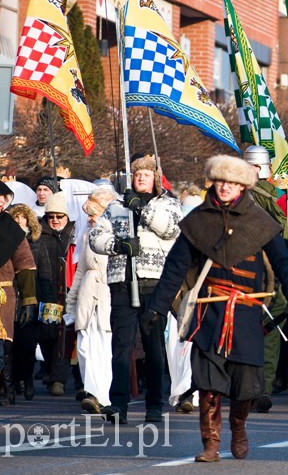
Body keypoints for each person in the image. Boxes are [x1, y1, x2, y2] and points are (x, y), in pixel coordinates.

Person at [141, 155, 288, 462]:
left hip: (247, 311)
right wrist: (156, 308)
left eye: (232, 182)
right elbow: (175, 269)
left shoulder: (261, 222)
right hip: (209, 313)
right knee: (208, 383)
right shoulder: (198, 221)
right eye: (220, 181)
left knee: (246, 386)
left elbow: (283, 263)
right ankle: (211, 443)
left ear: (243, 186)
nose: (225, 187)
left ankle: (239, 427)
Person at [89, 155, 182, 424]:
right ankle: (118, 404)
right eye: (137, 174)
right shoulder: (116, 206)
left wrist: (142, 209)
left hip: (154, 283)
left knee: (153, 347)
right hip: (121, 281)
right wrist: (117, 246)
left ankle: (154, 405)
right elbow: (96, 237)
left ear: (156, 178)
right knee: (121, 345)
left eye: (146, 174)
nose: (141, 177)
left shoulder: (169, 204)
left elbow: (171, 229)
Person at [244, 145, 288, 413]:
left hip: (272, 271)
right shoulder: (246, 196)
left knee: (270, 329)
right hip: (246, 267)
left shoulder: (273, 196)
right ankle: (246, 386)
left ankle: (261, 388)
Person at [0, 173, 37, 428]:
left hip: (1, 302)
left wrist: (29, 301)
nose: (2, 202)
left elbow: (25, 266)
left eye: (5, 198)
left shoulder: (11, 229)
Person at [65, 187, 116, 413]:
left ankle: (100, 394)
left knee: (103, 345)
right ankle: (91, 389)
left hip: (106, 292)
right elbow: (80, 270)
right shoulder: (87, 236)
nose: (90, 218)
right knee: (85, 345)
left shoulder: (116, 233)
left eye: (93, 213)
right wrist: (72, 300)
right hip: (87, 290)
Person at [6, 204, 53, 403]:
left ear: (28, 220)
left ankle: (28, 380)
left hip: (31, 299)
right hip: (9, 297)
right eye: (15, 217)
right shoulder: (4, 242)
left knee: (27, 346)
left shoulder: (36, 243)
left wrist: (47, 304)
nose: (18, 221)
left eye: (22, 218)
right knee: (10, 347)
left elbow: (45, 275)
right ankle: (13, 384)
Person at [36, 191, 76, 396]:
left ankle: (59, 378)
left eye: (59, 216)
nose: (54, 220)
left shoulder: (75, 232)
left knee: (65, 335)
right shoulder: (38, 233)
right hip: (46, 290)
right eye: (50, 216)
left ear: (67, 216)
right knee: (48, 334)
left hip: (70, 290)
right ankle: (52, 372)